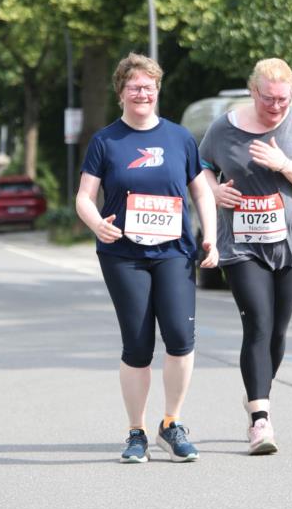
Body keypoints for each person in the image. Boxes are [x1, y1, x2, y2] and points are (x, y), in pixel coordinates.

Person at [76, 53, 218, 464]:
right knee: (138, 345)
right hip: (123, 255)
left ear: (158, 91)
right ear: (121, 91)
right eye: (136, 86)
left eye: (150, 86)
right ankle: (135, 431)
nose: (144, 93)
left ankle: (171, 424)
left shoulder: (179, 139)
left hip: (173, 251)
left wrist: (211, 236)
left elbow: (201, 192)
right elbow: (84, 198)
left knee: (179, 337)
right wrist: (96, 224)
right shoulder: (106, 141)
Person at [199, 58, 292, 455]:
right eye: (269, 98)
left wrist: (285, 164)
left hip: (289, 241)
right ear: (252, 90)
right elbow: (201, 168)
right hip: (240, 243)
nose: (276, 106)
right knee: (258, 321)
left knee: (277, 331)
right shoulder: (224, 128)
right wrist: (213, 192)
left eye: (284, 99)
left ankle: (258, 394)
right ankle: (260, 421)